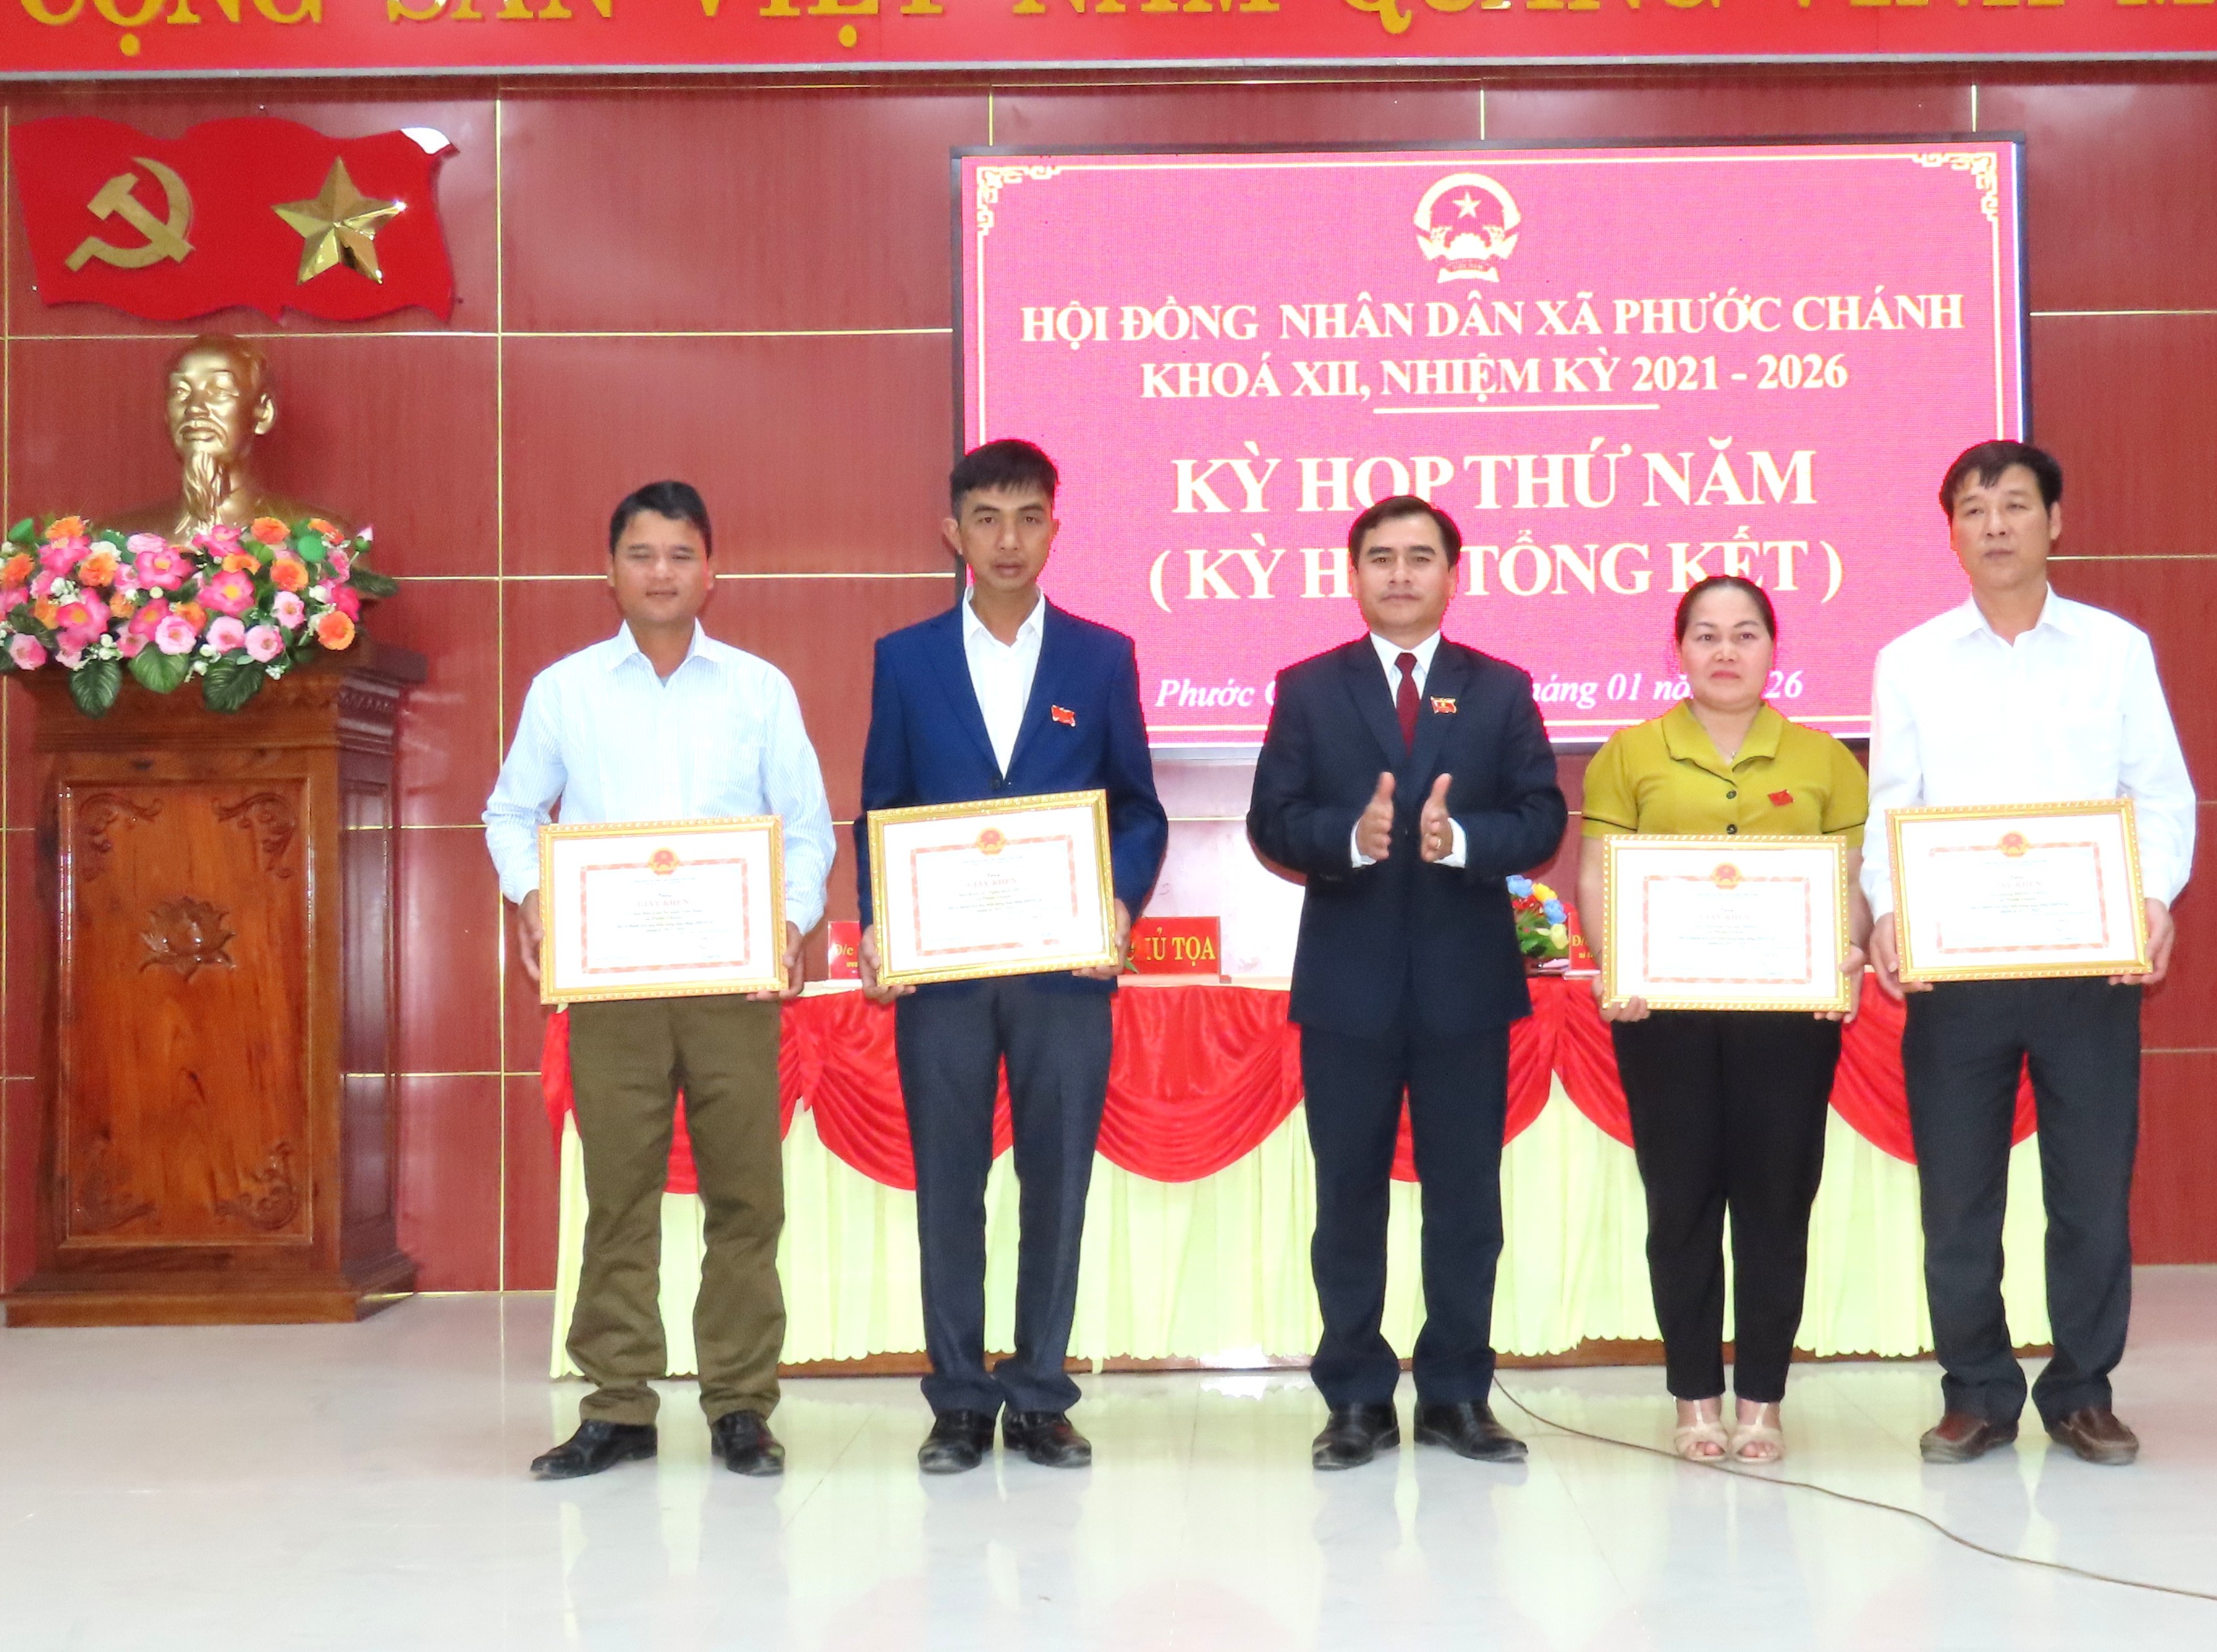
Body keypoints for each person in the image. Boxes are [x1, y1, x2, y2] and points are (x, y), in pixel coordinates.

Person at [484, 481, 835, 1481]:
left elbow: (806, 827)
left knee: (746, 1198)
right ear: (611, 571)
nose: (661, 572)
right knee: (619, 1196)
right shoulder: (566, 690)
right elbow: (511, 811)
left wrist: (790, 919)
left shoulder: (759, 689)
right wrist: (534, 894)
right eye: (641, 554)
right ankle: (618, 1405)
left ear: (711, 570)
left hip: (734, 984)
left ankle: (740, 1403)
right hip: (614, 985)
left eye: (681, 554)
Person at [1865, 440, 2194, 1467]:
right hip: (1957, 968)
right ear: (1952, 533)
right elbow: (1892, 807)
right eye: (1974, 508)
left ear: (2056, 521)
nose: (1996, 524)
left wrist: (2151, 897)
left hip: (2087, 963)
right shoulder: (1910, 659)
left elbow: (2160, 793)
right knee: (1959, 1195)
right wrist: (1888, 910)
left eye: (2015, 504)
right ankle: (1975, 1392)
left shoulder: (2114, 650)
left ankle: (2084, 1390)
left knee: (2089, 1191)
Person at [855, 438, 1167, 1475]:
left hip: (1062, 973)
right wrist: (880, 921)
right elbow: (882, 809)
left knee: (1056, 1182)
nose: (1007, 539)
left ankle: (1039, 1395)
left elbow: (1139, 808)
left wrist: (1117, 898)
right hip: (941, 973)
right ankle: (957, 1400)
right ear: (953, 531)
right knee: (948, 1185)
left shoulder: (1101, 656)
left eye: (1029, 517)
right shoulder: (906, 659)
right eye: (986, 518)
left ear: (1054, 530)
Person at [1247, 494, 1567, 1471]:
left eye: (1419, 556)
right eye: (1380, 557)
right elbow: (1272, 819)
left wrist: (1460, 838)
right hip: (1347, 988)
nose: (1399, 573)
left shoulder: (1500, 688)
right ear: (1353, 575)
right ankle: (1355, 1397)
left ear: (1451, 575)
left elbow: (1542, 815)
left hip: (1466, 987)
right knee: (1348, 1199)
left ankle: (1457, 1395)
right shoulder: (1308, 688)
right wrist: (1350, 836)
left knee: (1465, 1201)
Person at [1576, 576, 1871, 1464]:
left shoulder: (1825, 758)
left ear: (1773, 649)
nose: (1726, 651)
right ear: (1679, 651)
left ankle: (1763, 1401)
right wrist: (1617, 968)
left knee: (1778, 1204)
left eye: (1745, 634)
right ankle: (1695, 1396)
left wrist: (1847, 952)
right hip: (1663, 1015)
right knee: (1681, 1204)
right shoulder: (1629, 752)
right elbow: (1598, 874)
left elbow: (1850, 884)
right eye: (1706, 635)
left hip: (1789, 1016)